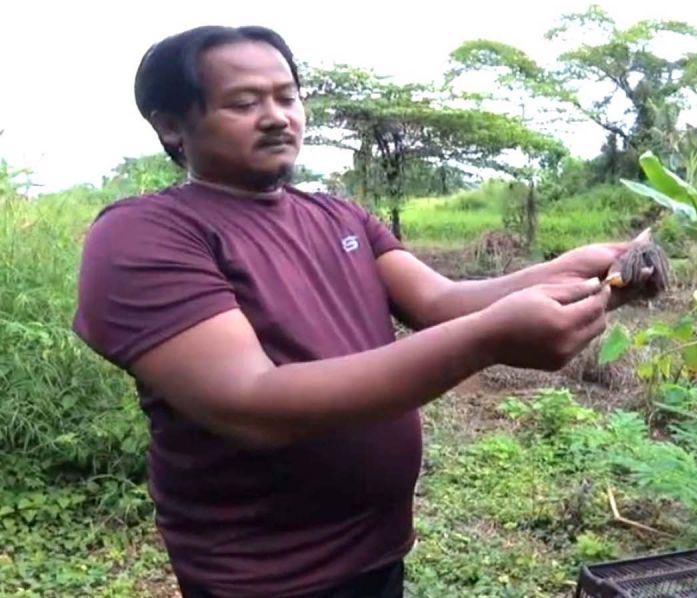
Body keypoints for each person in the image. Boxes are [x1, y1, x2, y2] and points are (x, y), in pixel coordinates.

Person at [72, 25, 665, 598]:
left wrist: (575, 269)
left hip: (378, 550)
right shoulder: (145, 234)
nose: (277, 117)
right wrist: (488, 340)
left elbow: (441, 302)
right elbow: (252, 404)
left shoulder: (339, 216)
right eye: (245, 103)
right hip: (262, 575)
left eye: (287, 97)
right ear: (171, 125)